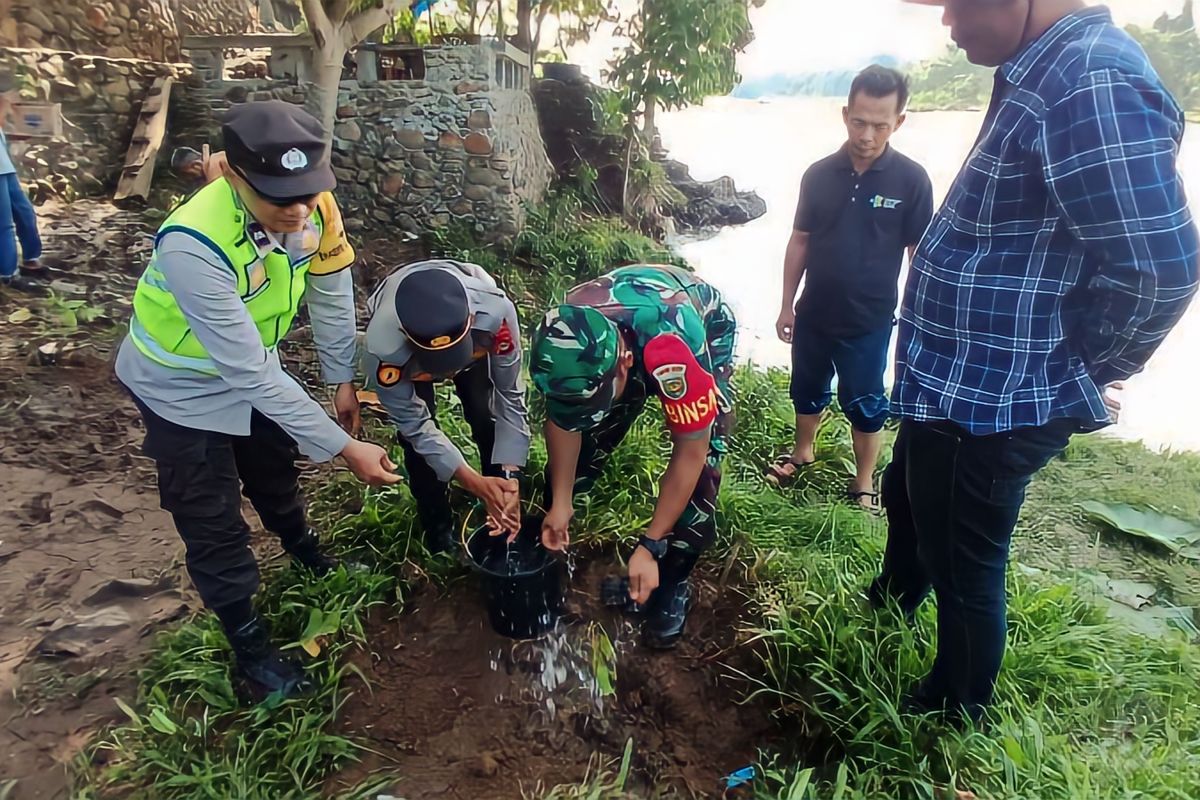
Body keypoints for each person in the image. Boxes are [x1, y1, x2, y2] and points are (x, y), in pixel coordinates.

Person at [878, 0, 1199, 723]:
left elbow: (1161, 270)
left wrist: (1080, 374)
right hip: (954, 383)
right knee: (912, 501)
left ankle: (951, 711)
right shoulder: (1044, 69)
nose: (948, 21)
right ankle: (892, 600)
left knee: (967, 569)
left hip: (994, 401)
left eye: (958, 3)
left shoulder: (1093, 82)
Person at [115, 100, 401, 700]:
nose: (297, 211)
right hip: (180, 390)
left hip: (256, 374)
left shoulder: (312, 204)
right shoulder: (192, 242)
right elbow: (246, 372)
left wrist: (340, 379)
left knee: (274, 472)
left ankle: (307, 555)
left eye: (307, 193)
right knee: (212, 517)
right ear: (238, 177)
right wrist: (345, 446)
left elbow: (329, 291)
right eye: (279, 198)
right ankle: (251, 650)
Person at [530, 265, 737, 649]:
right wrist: (561, 502)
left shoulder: (674, 345)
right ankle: (553, 537)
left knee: (706, 467)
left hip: (698, 326)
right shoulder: (566, 335)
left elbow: (690, 451)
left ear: (625, 362)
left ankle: (673, 579)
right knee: (593, 437)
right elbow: (564, 424)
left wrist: (651, 544)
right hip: (627, 338)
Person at [769, 65, 933, 509]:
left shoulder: (912, 180)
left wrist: (919, 319)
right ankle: (803, 451)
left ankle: (863, 482)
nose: (868, 134)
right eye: (860, 121)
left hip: (870, 319)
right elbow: (799, 240)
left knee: (865, 400)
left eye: (881, 124)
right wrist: (787, 305)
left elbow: (918, 254)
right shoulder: (818, 175)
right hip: (815, 312)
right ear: (845, 115)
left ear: (898, 122)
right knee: (806, 386)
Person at [363, 259, 528, 554]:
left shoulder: (496, 314)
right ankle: (438, 528)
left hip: (476, 343)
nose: (449, 375)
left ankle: (499, 496)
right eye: (442, 367)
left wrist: (510, 475)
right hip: (413, 361)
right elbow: (415, 425)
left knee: (485, 412)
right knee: (418, 450)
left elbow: (509, 396)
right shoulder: (383, 349)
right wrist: (469, 479)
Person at [0, 70, 45, 292]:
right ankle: (8, 274)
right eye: (12, 94)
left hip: (5, 169)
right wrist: (5, 103)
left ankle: (31, 259)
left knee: (25, 212)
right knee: (4, 225)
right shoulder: (2, 106)